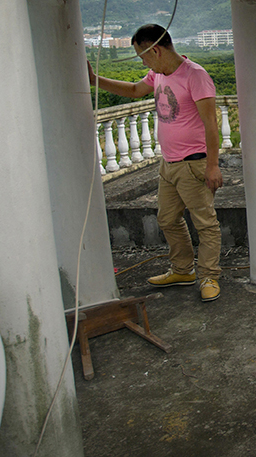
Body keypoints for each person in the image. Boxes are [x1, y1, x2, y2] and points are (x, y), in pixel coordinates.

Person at [88, 24, 224, 302]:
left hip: (193, 163)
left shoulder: (195, 75)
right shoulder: (158, 74)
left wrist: (212, 166)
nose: (143, 62)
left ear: (156, 49)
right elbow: (136, 90)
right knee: (167, 219)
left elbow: (211, 124)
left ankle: (209, 275)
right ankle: (183, 270)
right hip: (169, 164)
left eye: (143, 55)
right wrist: (95, 81)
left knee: (205, 223)